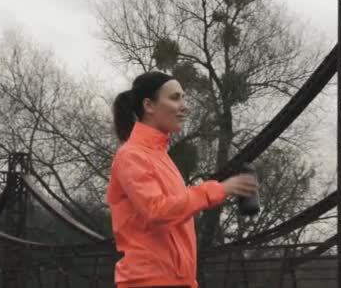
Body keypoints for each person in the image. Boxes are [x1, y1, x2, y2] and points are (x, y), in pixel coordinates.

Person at [107, 71, 258, 288]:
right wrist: (218, 189)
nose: (184, 106)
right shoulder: (131, 156)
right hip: (149, 282)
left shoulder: (160, 156)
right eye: (175, 98)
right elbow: (157, 210)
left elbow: (175, 219)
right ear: (149, 105)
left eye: (183, 98)